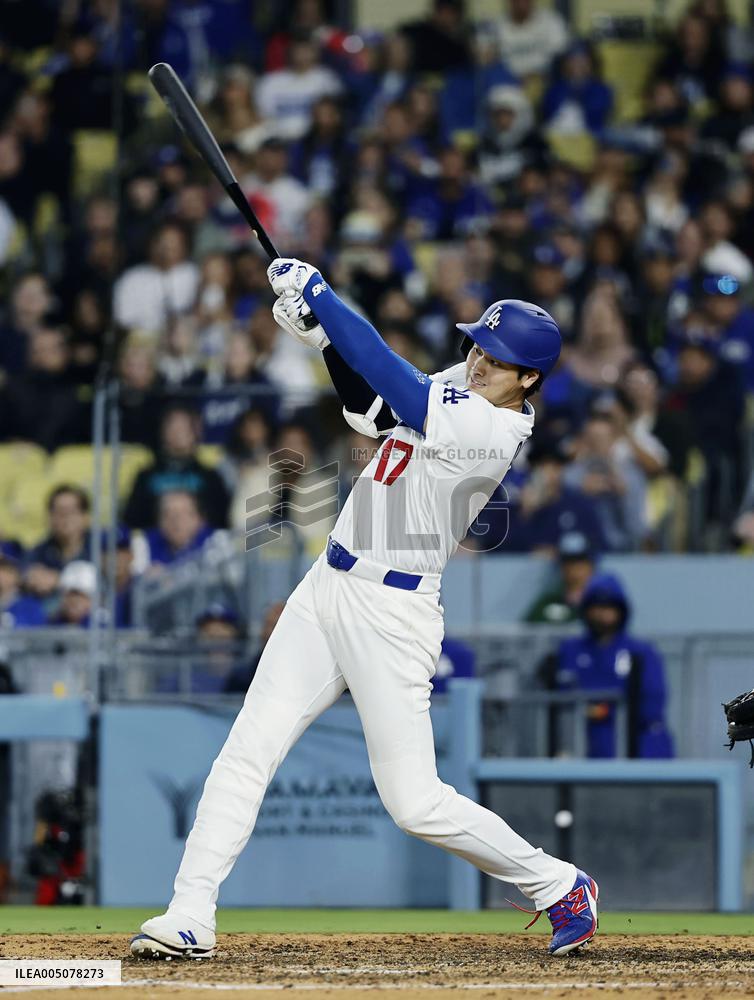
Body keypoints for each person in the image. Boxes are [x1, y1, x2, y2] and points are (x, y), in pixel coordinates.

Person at [131, 259, 599, 961]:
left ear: (528, 379)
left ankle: (559, 883)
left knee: (414, 802)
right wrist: (324, 342)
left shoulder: (496, 432)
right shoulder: (461, 385)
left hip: (395, 610)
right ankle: (191, 910)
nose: (476, 361)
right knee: (247, 749)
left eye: (496, 360)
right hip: (328, 584)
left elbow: (398, 386)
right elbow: (371, 409)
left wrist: (324, 298)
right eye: (476, 345)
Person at [539, 573, 674, 759]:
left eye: (609, 607)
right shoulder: (570, 650)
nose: (602, 613)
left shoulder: (641, 652)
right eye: (596, 606)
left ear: (621, 610)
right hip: (586, 747)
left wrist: (603, 709)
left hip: (636, 749)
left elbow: (652, 705)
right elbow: (561, 696)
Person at [124, 405, 230, 529]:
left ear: (196, 432)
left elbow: (221, 520)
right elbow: (132, 520)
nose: (178, 432)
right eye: (172, 426)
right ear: (163, 431)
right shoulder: (146, 476)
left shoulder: (210, 477)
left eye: (184, 427)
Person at [524, 532, 596, 624]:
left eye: (580, 562)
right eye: (568, 562)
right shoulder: (548, 603)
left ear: (591, 566)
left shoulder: (603, 602)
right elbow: (528, 630)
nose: (573, 569)